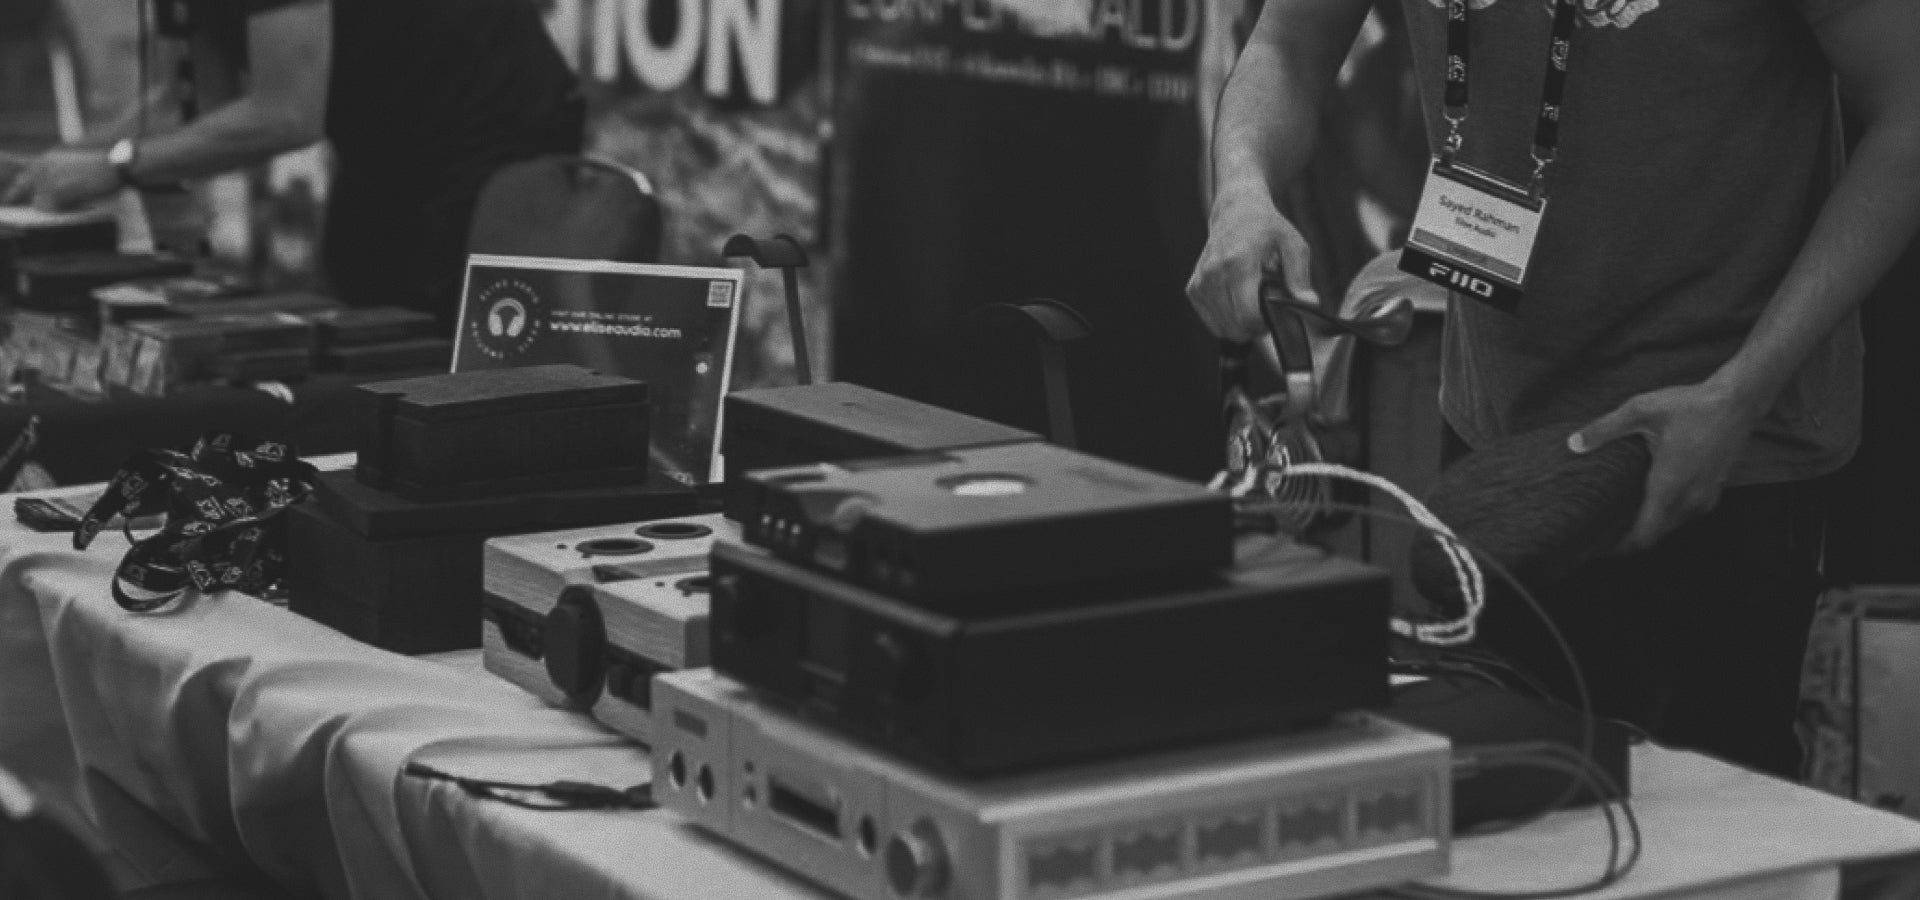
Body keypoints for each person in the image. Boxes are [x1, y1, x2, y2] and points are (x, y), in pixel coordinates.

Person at [1188, 0, 1920, 779]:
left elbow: (1907, 119)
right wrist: (1242, 190)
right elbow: (1288, 47)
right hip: (1503, 441)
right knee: (1521, 794)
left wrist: (1741, 393)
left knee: (1708, 811)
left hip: (1713, 442)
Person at [1, 0, 584, 323]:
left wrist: (118, 165)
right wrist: (64, 161)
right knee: (360, 294)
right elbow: (196, 100)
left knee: (423, 331)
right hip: (387, 137)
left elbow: (286, 115)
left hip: (492, 126)